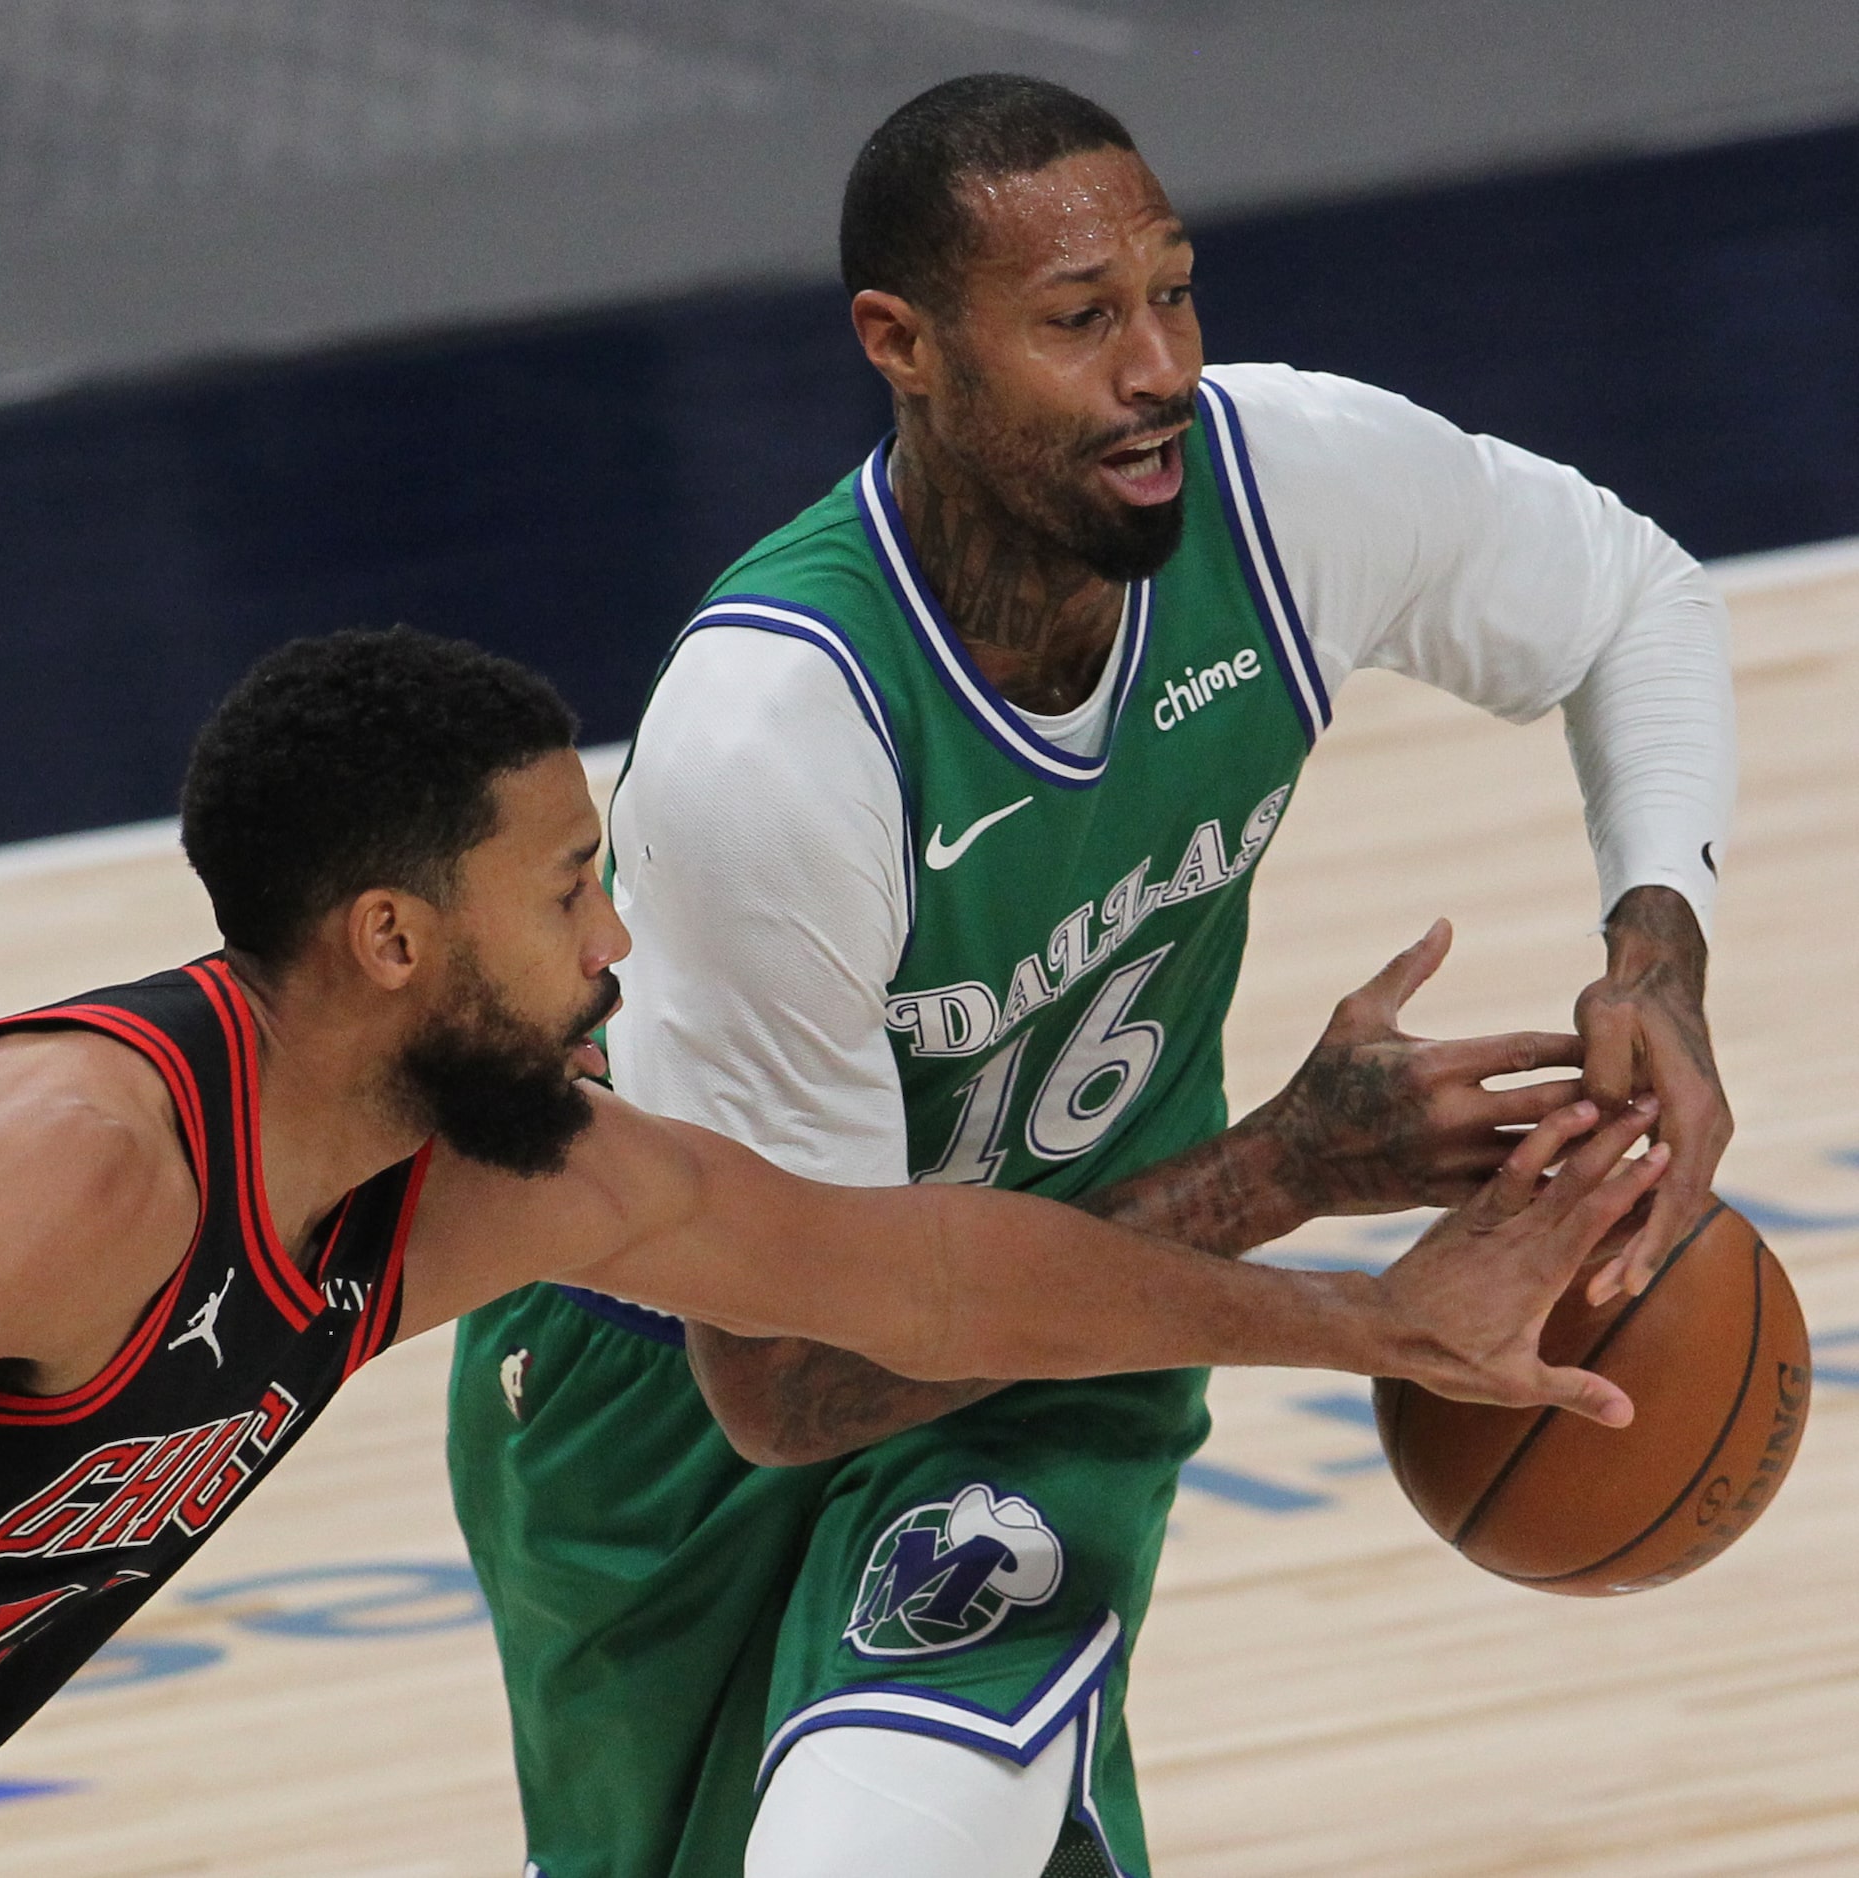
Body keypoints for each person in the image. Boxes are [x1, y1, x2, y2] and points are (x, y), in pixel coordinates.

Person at [445, 75, 1735, 1878]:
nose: (1158, 370)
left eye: (1172, 293)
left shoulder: (1285, 490)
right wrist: (1288, 1169)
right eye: (1078, 320)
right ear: (901, 344)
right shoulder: (778, 735)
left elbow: (1632, 600)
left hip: (1070, 1323)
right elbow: (796, 1374)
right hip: (675, 1388)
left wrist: (1655, 949)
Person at [0, 628, 1665, 1872]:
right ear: (394, 937)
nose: (617, 940)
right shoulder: (85, 1167)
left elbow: (928, 1276)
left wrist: (1374, 1324)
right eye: (564, 887)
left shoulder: (472, 1179)